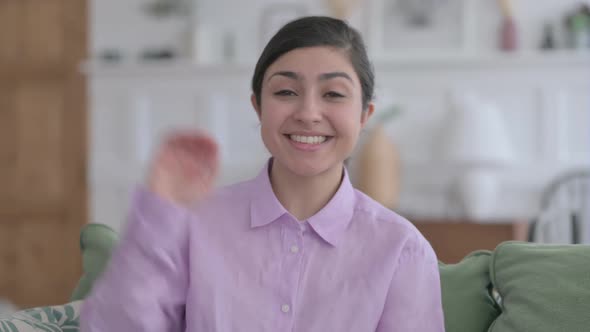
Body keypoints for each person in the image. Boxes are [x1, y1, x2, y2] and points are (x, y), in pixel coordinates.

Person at [81, 16, 445, 331]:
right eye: (286, 91)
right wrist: (160, 214)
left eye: (333, 94)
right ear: (258, 106)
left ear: (365, 115)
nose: (308, 112)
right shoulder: (192, 226)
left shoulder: (403, 250)